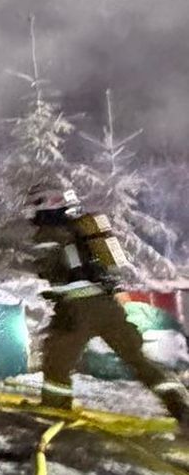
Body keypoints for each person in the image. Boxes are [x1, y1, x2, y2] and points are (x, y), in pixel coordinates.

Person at [25, 179, 189, 430]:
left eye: (35, 204)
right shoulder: (83, 230)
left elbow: (50, 272)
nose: (32, 210)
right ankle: (181, 406)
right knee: (138, 360)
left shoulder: (48, 234)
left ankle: (54, 413)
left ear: (46, 203)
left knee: (56, 364)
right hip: (108, 306)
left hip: (77, 311)